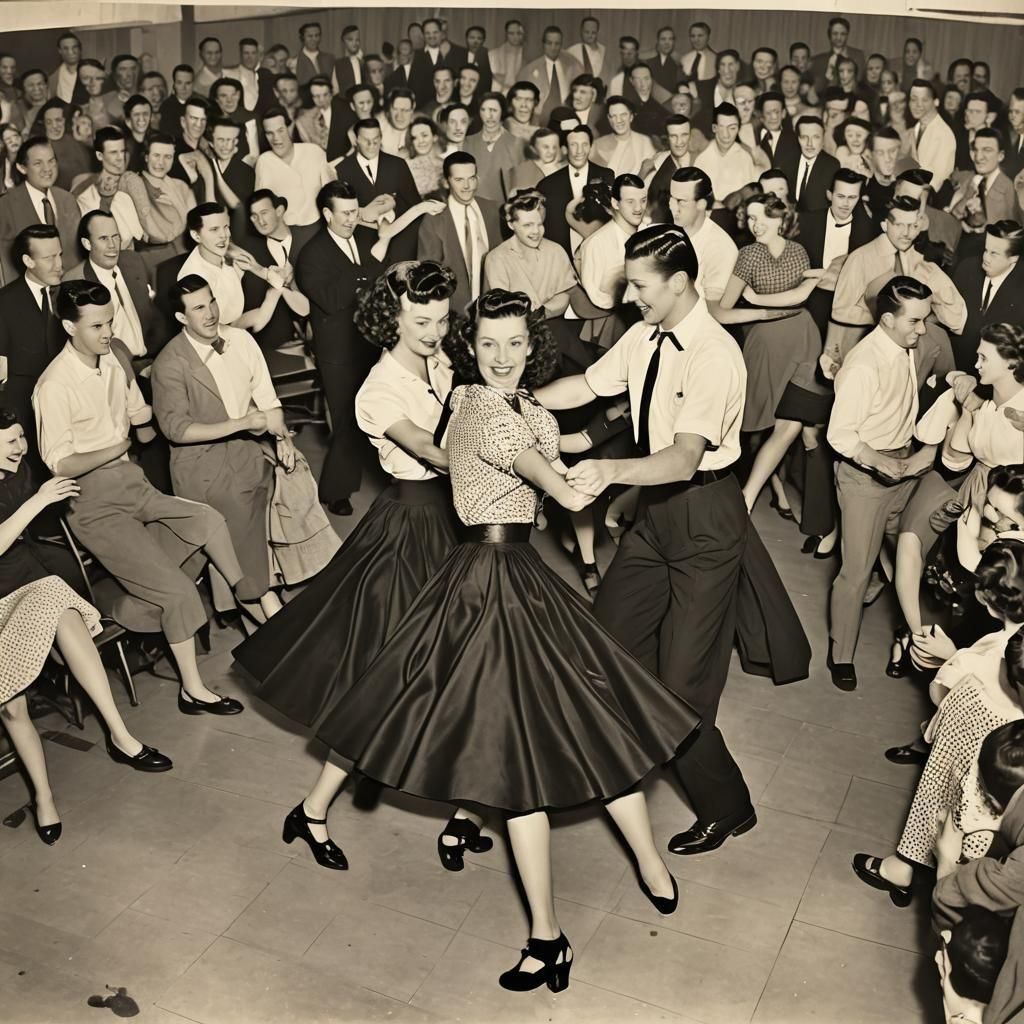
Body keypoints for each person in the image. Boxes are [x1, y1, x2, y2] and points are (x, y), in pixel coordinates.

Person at [298, 287, 694, 988]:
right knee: (528, 754)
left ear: (532, 345)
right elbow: (553, 481)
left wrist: (612, 433)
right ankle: (553, 930)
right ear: (470, 347)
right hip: (485, 582)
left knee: (586, 725)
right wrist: (609, 473)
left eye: (514, 342)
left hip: (516, 575)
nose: (502, 356)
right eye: (487, 343)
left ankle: (637, 868)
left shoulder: (525, 406)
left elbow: (559, 443)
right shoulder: (481, 409)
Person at [534, 224, 771, 857]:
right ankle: (606, 762)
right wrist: (514, 403)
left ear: (679, 282)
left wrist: (608, 471)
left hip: (705, 517)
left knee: (680, 687)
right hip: (656, 517)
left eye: (640, 286)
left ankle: (728, 806)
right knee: (605, 643)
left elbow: (684, 458)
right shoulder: (644, 335)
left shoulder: (713, 354)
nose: (629, 296)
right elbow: (587, 387)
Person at [234, 260, 472, 869]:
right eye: (421, 321)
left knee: (471, 666)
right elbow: (431, 450)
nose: (435, 332)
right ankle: (312, 810)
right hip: (410, 532)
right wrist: (511, 455)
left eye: (441, 320)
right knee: (385, 679)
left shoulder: (440, 360)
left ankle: (465, 813)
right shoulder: (378, 390)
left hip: (454, 523)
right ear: (393, 319)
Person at [33, 279, 250, 715]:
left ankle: (247, 603)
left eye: (110, 322)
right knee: (177, 592)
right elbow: (59, 464)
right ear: (70, 327)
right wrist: (116, 445)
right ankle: (193, 689)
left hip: (133, 483)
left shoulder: (113, 359)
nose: (108, 332)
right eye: (96, 326)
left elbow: (140, 416)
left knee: (208, 521)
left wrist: (168, 395)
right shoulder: (53, 385)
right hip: (92, 504)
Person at [0, 408, 172, 845]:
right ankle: (43, 798)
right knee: (12, 708)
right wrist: (40, 500)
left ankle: (120, 734)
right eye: (10, 441)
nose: (21, 447)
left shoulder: (19, 472)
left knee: (61, 604)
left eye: (21, 437)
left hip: (28, 582)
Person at [151, 274, 302, 626]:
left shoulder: (241, 340)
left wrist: (284, 438)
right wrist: (241, 423)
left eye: (212, 302)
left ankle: (260, 591)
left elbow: (268, 400)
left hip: (248, 450)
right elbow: (176, 430)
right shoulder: (169, 363)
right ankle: (268, 610)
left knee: (295, 487)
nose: (210, 313)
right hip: (201, 466)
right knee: (238, 514)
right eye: (198, 308)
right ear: (181, 317)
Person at [825, 276, 942, 690]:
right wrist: (881, 463)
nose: (922, 329)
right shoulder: (863, 365)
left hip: (903, 468)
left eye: (925, 319)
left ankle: (912, 640)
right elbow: (840, 435)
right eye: (914, 321)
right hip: (866, 478)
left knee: (909, 559)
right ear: (888, 319)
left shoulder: (904, 345)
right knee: (856, 571)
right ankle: (841, 654)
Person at [892, 325, 1024, 678]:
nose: (976, 364)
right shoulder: (986, 403)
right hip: (976, 491)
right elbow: (955, 458)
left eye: (983, 357)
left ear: (1011, 363)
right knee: (964, 582)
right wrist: (969, 410)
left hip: (1009, 508)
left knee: (993, 588)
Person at [716, 192, 831, 515]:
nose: (755, 224)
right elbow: (723, 309)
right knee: (750, 425)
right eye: (751, 218)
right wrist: (762, 312)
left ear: (780, 219)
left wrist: (759, 300)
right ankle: (741, 491)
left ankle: (748, 497)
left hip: (804, 339)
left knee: (793, 423)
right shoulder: (748, 255)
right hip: (766, 345)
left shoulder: (798, 251)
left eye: (763, 217)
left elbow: (800, 296)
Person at [297, 181, 383, 517]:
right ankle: (337, 491)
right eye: (345, 213)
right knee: (346, 421)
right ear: (326, 213)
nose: (352, 219)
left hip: (371, 342)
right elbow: (331, 299)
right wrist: (362, 276)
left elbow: (380, 279)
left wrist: (363, 278)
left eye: (355, 211)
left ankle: (391, 476)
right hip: (338, 353)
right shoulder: (311, 254)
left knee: (380, 412)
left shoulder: (364, 238)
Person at [417, 152, 501, 313]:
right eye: (459, 180)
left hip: (493, 309)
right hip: (454, 312)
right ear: (446, 182)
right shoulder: (434, 219)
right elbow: (428, 277)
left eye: (471, 178)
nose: (467, 186)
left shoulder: (492, 210)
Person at [0, 137, 80, 285]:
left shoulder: (67, 199)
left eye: (51, 161)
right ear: (22, 168)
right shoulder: (6, 205)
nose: (47, 169)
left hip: (71, 287)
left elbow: (76, 253)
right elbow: (6, 263)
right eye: (38, 163)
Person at [952, 221, 1024, 373]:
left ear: (1013, 258)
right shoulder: (967, 268)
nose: (985, 257)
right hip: (955, 368)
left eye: (994, 253)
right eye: (986, 249)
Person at [537, 124, 613, 259]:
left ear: (590, 146)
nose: (579, 151)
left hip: (600, 255)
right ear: (565, 149)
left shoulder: (607, 176)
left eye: (584, 144)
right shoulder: (547, 185)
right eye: (573, 145)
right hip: (562, 258)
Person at [518, 26, 585, 123]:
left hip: (566, 120)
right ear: (543, 44)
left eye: (557, 44)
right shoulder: (529, 70)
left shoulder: (571, 67)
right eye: (549, 43)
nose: (553, 48)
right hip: (539, 122)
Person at [693, 102, 756, 203]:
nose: (726, 135)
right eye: (721, 128)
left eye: (732, 128)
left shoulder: (745, 158)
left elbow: (750, 197)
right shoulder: (701, 159)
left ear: (738, 129)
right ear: (714, 128)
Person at [463, 93, 520, 202]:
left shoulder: (514, 143)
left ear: (502, 112)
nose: (488, 115)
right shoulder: (467, 143)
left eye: (493, 110)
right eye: (483, 110)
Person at [592, 96, 657, 179]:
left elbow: (651, 177)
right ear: (609, 118)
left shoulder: (644, 142)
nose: (619, 120)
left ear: (631, 116)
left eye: (623, 115)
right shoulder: (597, 144)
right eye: (614, 116)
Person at [507, 127, 563, 195]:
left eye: (554, 147)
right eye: (546, 147)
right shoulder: (522, 170)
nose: (551, 151)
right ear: (533, 148)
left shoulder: (561, 169)